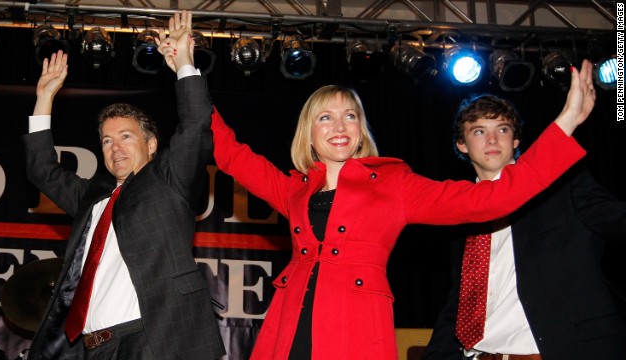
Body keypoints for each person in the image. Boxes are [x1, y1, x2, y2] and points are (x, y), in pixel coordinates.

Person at [195, 55, 597, 359]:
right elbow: (230, 154)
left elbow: (491, 199)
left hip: (354, 333)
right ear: (310, 133)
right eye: (326, 118)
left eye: (350, 116)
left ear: (360, 129)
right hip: (288, 328)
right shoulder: (293, 190)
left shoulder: (393, 185)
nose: (339, 126)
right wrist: (186, 70)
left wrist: (566, 122)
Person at [22, 11, 225, 360]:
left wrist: (184, 64)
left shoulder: (168, 181)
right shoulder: (92, 198)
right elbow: (43, 171)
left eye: (126, 136)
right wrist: (44, 99)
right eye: (105, 141)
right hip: (93, 348)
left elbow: (194, 128)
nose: (114, 147)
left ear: (151, 145)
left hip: (151, 340)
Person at [421, 94, 626, 360]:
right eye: (479, 131)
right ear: (462, 145)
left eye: (503, 129)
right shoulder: (460, 215)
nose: (493, 140)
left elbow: (617, 219)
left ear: (515, 141)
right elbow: (461, 301)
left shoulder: (563, 187)